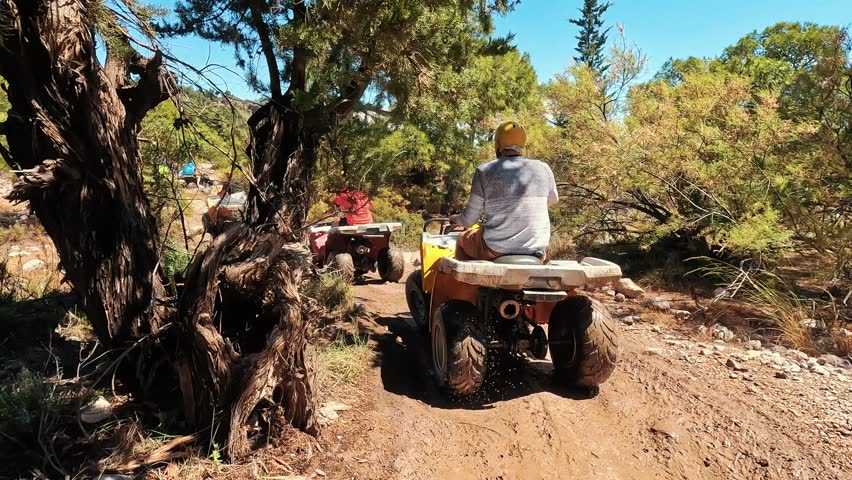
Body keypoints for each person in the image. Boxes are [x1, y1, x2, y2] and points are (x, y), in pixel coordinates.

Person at [450, 121, 558, 261]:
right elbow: (553, 199)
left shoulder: (484, 171)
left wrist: (458, 220)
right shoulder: (543, 168)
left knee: (462, 240)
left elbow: (469, 220)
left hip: (495, 249)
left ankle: (466, 283)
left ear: (498, 143)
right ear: (522, 144)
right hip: (537, 251)